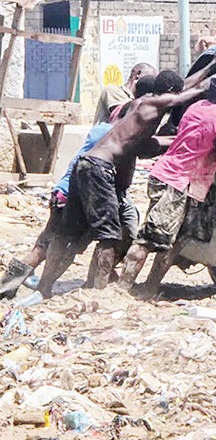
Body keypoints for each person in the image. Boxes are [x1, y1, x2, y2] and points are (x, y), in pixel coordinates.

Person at [37, 60, 216, 299]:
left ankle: (45, 286)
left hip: (84, 165)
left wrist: (213, 63)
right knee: (109, 237)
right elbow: (185, 94)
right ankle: (100, 293)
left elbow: (180, 91)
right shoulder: (156, 103)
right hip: (99, 168)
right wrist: (213, 80)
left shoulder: (138, 104)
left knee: (67, 234)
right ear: (169, 93)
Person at [0, 75, 159, 298]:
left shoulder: (101, 129)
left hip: (63, 190)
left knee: (45, 244)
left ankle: (9, 286)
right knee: (74, 244)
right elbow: (123, 181)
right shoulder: (120, 139)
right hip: (79, 193)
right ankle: (63, 287)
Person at [120, 73, 216, 299]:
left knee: (170, 242)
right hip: (177, 181)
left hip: (175, 178)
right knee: (149, 239)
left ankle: (146, 289)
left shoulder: (196, 108)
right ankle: (123, 290)